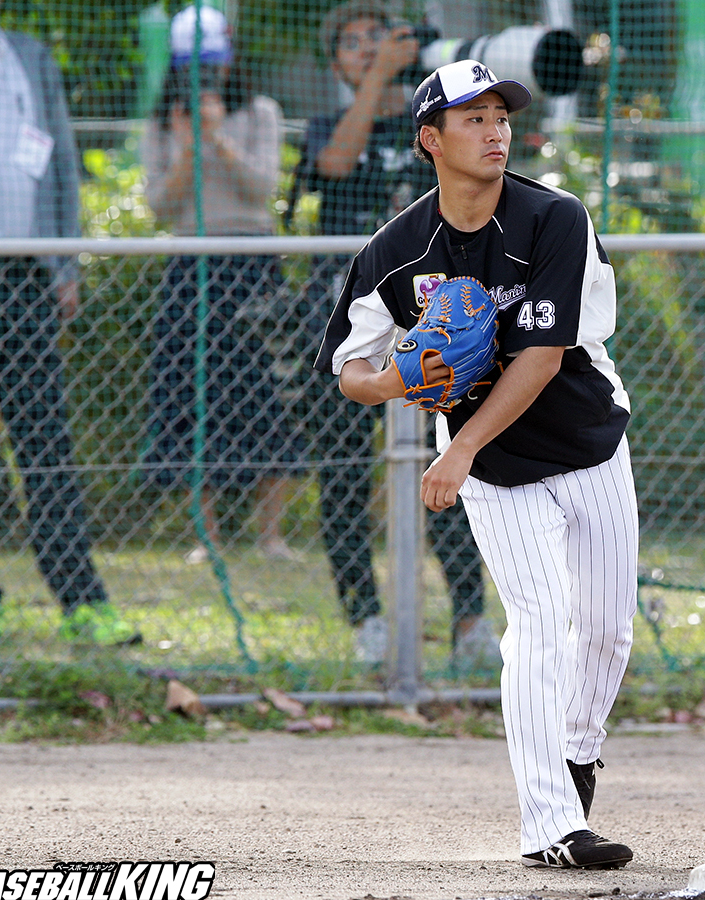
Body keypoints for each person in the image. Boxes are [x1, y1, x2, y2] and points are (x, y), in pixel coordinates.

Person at [314, 59, 638, 869]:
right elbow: (347, 368)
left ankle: (577, 753)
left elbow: (539, 357)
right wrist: (394, 380)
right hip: (496, 469)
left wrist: (455, 448)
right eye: (472, 118)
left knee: (604, 631)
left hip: (586, 438)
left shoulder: (553, 218)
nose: (496, 130)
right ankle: (551, 826)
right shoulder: (395, 251)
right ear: (430, 139)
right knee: (535, 623)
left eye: (501, 116)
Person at [288, 0, 495, 669]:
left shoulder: (430, 130)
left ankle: (469, 621)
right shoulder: (329, 123)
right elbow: (338, 164)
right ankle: (367, 621)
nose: (368, 49)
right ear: (336, 64)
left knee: (455, 466)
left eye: (380, 39)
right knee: (345, 476)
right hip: (349, 323)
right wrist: (380, 78)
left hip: (439, 322)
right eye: (353, 45)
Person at [0, 0, 141, 644]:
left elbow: (59, 162)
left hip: (27, 282)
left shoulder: (29, 58)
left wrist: (65, 264)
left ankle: (81, 601)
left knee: (46, 441)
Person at [141, 5, 304, 563]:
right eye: (195, 68)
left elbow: (263, 188)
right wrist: (188, 148)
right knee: (191, 391)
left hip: (253, 261)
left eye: (213, 66)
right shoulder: (162, 123)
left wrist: (220, 139)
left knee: (266, 389)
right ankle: (205, 536)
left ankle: (270, 534)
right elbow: (159, 206)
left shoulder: (260, 111)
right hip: (192, 264)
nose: (206, 78)